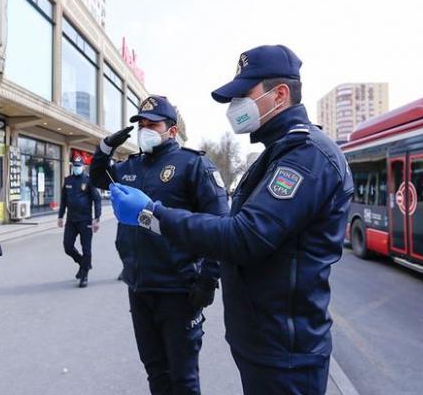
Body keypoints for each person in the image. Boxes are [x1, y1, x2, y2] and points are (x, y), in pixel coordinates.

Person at [109, 45, 355, 395]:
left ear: (280, 95)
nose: (234, 105)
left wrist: (153, 215)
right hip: (262, 339)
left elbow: (243, 235)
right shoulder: (275, 153)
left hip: (285, 351)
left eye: (243, 94)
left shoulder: (307, 154)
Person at [90, 95, 229, 395]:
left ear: (172, 130)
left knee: (183, 379)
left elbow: (220, 228)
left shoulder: (194, 165)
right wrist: (104, 148)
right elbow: (98, 177)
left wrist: (208, 282)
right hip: (139, 288)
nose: (144, 130)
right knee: (155, 372)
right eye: (141, 125)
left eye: (152, 124)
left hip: (179, 291)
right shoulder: (131, 166)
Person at [58, 156, 102, 287]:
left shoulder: (89, 181)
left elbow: (97, 200)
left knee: (86, 248)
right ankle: (84, 263)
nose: (77, 168)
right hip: (71, 220)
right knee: (68, 247)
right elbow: (63, 200)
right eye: (75, 165)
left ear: (83, 167)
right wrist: (60, 216)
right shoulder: (68, 180)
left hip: (85, 220)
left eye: (79, 166)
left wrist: (97, 218)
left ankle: (84, 275)